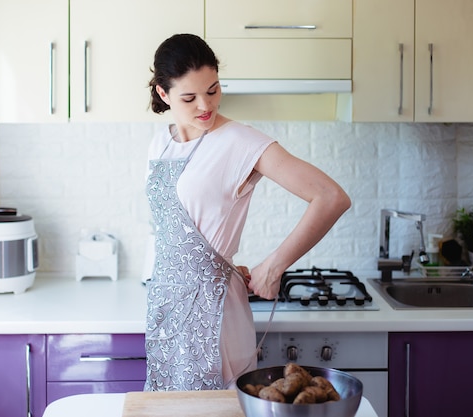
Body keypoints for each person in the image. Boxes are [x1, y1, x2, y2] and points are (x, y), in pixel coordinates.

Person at [144, 33, 351, 392]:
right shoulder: (160, 143)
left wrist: (274, 265)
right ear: (164, 94)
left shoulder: (241, 141)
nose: (205, 105)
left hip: (216, 318)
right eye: (189, 97)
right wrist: (214, 259)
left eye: (213, 90)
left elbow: (330, 197)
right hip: (166, 310)